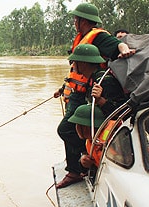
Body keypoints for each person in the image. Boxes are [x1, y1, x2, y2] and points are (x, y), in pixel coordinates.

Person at [53, 3, 134, 188]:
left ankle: (83, 163)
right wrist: (62, 88)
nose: (74, 22)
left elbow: (118, 44)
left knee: (67, 129)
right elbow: (76, 73)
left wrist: (124, 50)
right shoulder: (81, 38)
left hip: (91, 93)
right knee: (71, 129)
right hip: (79, 92)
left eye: (76, 19)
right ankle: (78, 165)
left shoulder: (99, 37)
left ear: (84, 21)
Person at [55, 44, 127, 189]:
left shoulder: (104, 81)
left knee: (66, 130)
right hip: (96, 134)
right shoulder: (90, 80)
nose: (73, 65)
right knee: (68, 127)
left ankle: (88, 160)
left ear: (83, 63)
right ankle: (82, 162)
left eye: (75, 62)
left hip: (112, 136)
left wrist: (101, 101)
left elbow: (122, 112)